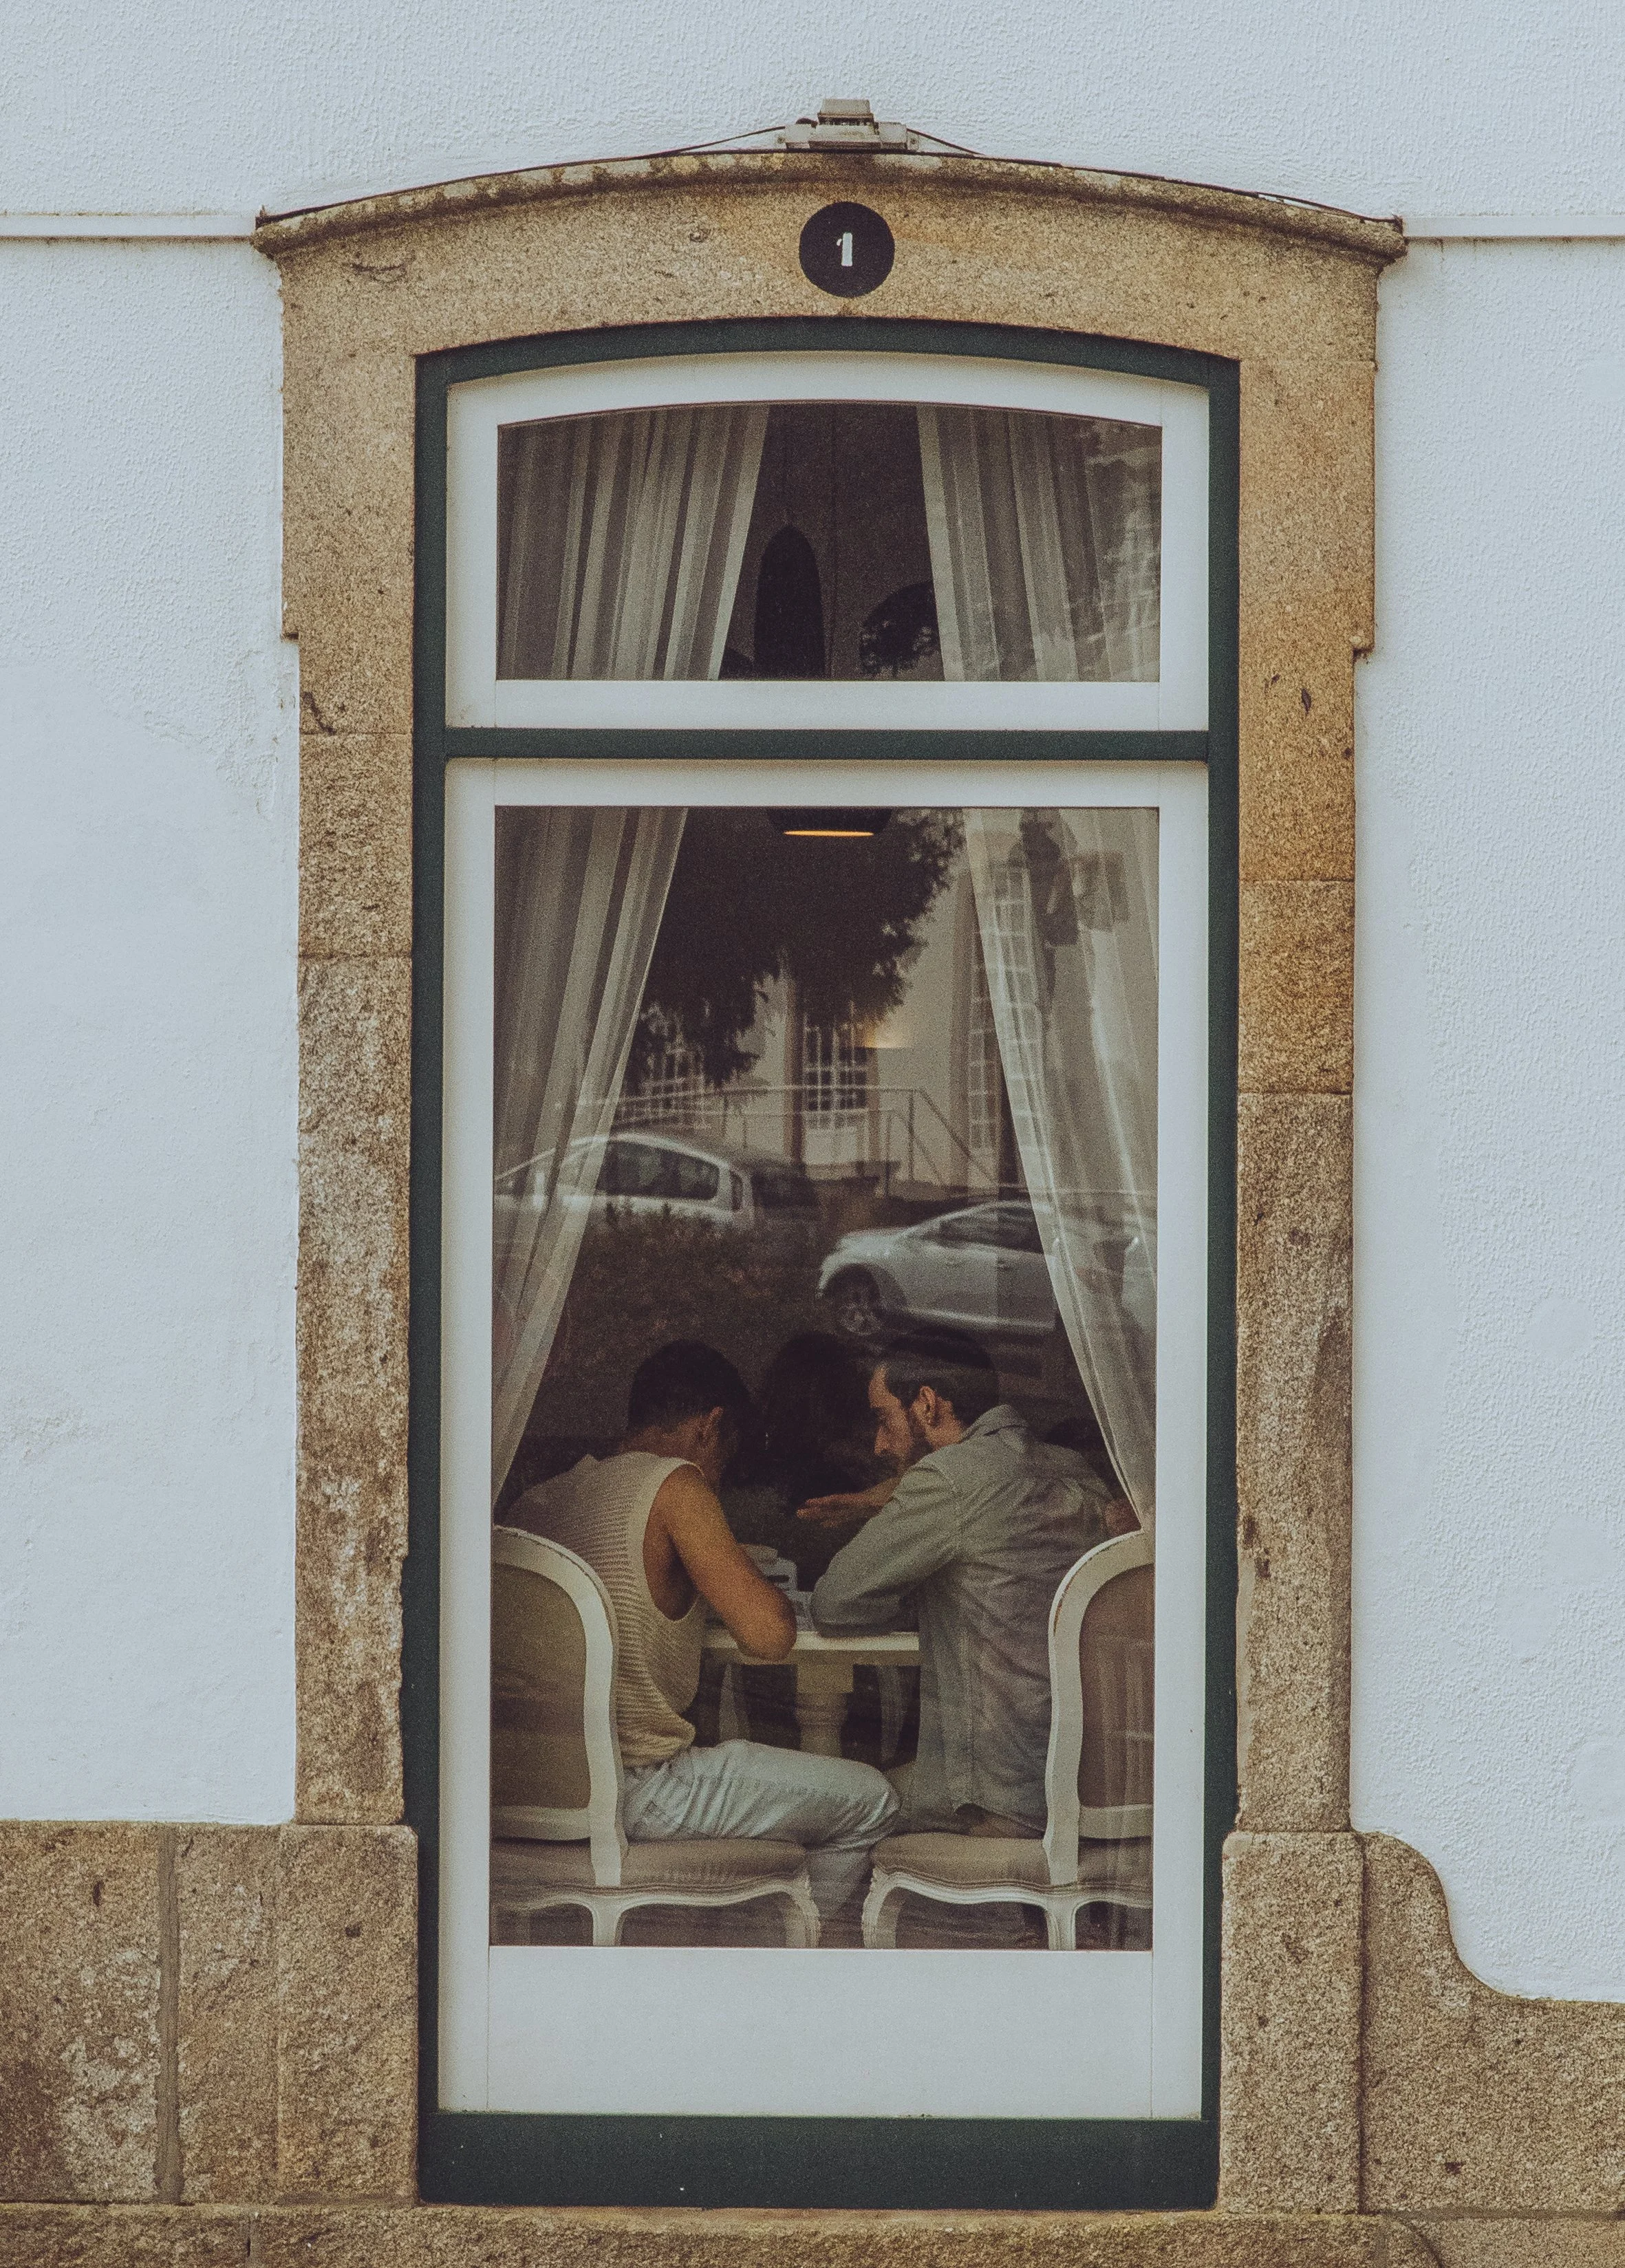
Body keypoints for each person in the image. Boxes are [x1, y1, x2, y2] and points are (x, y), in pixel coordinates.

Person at [509, 1339, 897, 1919]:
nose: (722, 1479)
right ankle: (781, 1965)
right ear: (710, 1427)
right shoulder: (677, 1484)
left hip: (527, 1789)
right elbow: (770, 1634)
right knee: (871, 1801)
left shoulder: (538, 1500)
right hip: (638, 1788)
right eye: (729, 1457)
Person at [807, 1332, 1117, 1837]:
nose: (879, 1444)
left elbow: (835, 1603)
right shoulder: (1074, 1471)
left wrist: (911, 1591)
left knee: (841, 1808)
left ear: (927, 1404)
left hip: (997, 1795)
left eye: (884, 1419)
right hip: (1088, 1782)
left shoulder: (947, 1478)